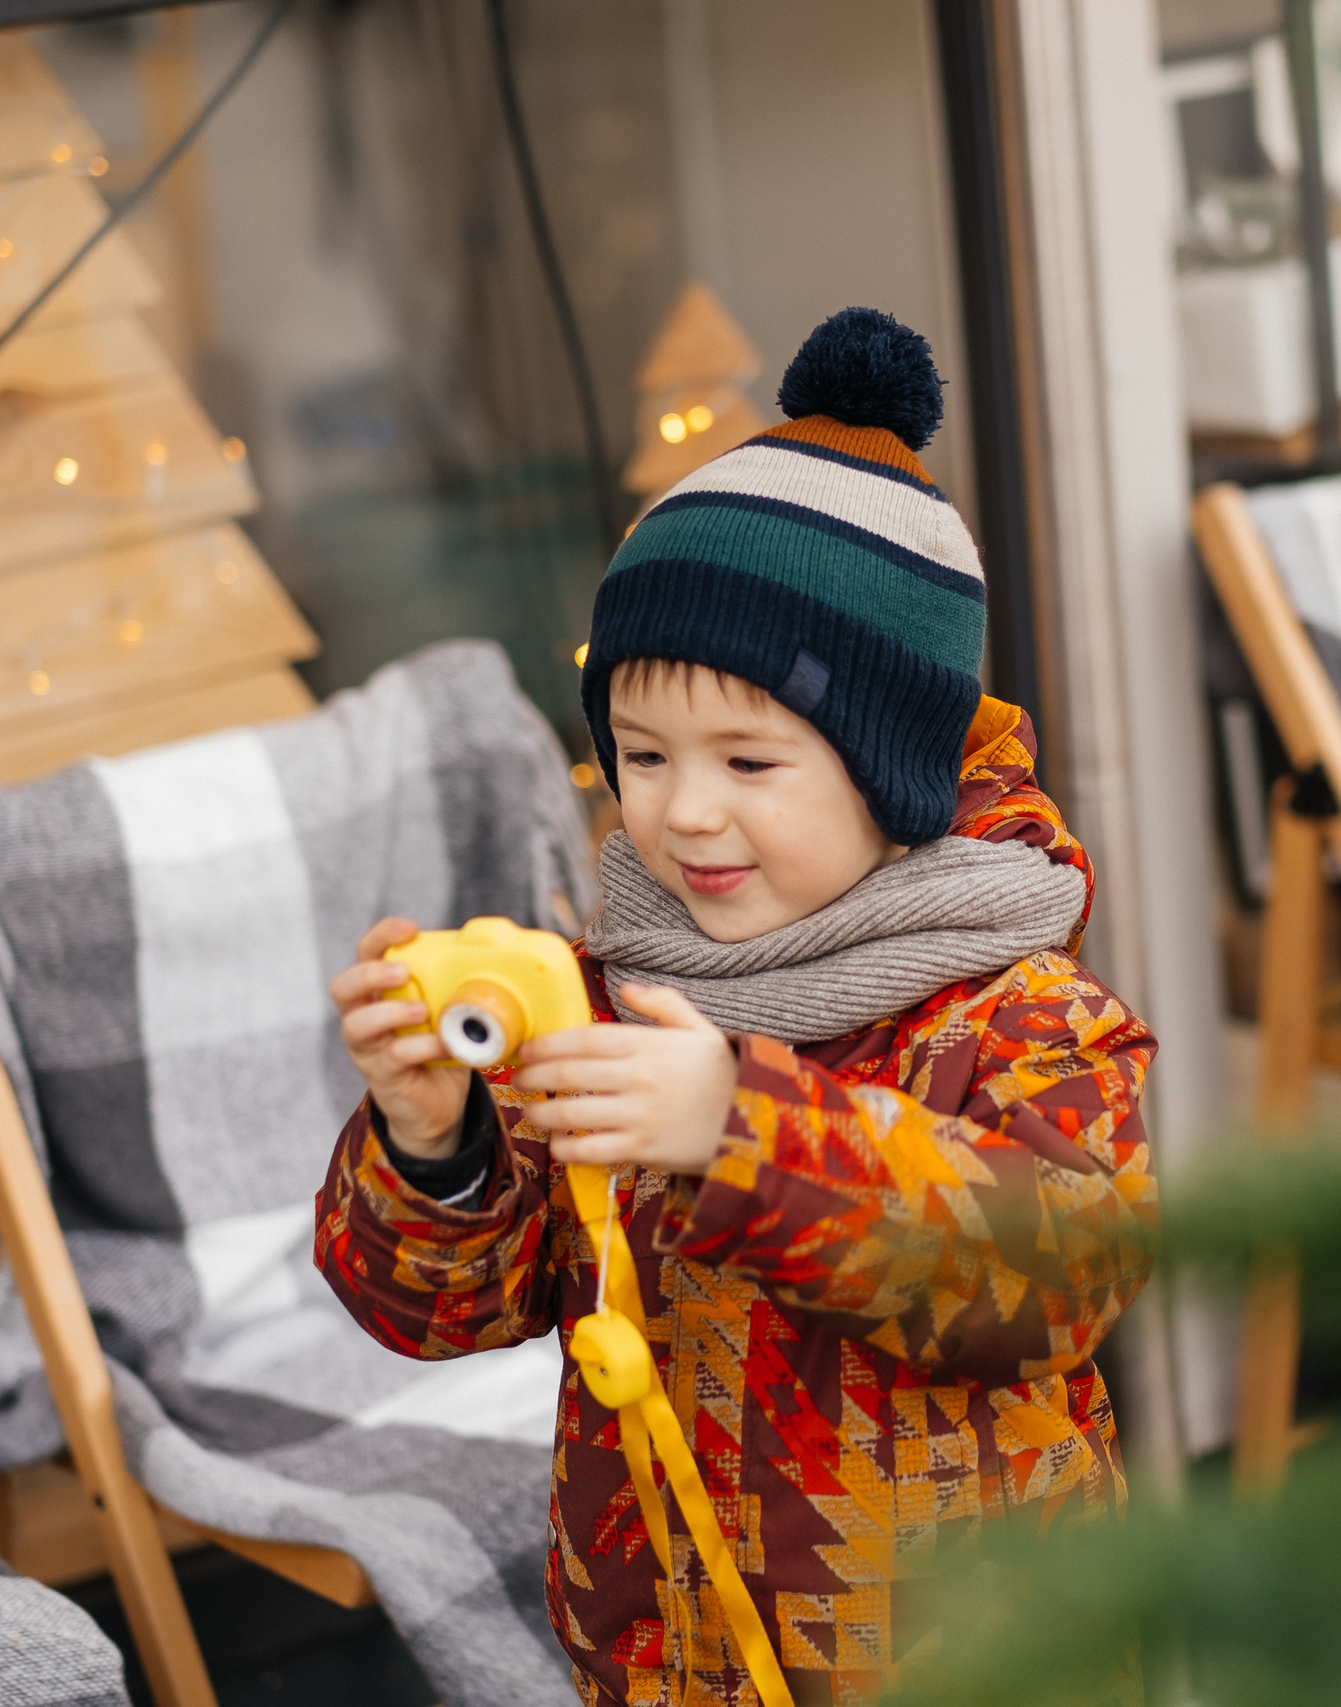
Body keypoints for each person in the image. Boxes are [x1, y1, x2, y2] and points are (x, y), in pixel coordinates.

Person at [317, 307, 1157, 1706]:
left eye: (750, 761)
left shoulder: (1013, 1014)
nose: (683, 811)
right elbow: (448, 1312)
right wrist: (433, 1144)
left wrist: (742, 1130)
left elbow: (1049, 1276)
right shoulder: (610, 998)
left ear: (891, 770)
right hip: (671, 1665)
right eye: (640, 753)